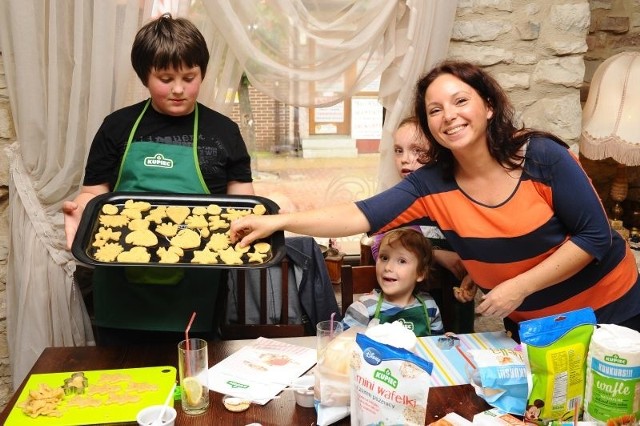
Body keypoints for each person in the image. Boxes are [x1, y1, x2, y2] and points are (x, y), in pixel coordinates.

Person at [230, 60, 640, 342]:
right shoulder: (431, 184)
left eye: (461, 101)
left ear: (489, 105)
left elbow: (594, 237)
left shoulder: (541, 157)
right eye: (434, 109)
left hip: (611, 312)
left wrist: (517, 286)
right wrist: (278, 221)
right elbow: (360, 213)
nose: (449, 115)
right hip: (532, 329)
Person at [63, 14, 254, 345]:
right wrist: (79, 212)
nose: (179, 89)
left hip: (197, 290)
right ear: (145, 77)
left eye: (189, 77)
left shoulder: (223, 132)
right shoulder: (117, 127)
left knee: (192, 386)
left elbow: (243, 206)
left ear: (202, 74)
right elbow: (94, 194)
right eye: (165, 78)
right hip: (122, 288)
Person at [389, 116, 476, 332]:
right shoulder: (395, 204)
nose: (405, 159)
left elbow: (479, 247)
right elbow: (380, 244)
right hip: (411, 322)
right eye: (398, 150)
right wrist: (435, 254)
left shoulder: (458, 201)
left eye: (417, 150)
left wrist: (473, 273)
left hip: (456, 317)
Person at [342, 227, 444, 336]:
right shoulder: (363, 309)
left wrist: (446, 340)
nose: (388, 267)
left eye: (401, 261)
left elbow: (436, 344)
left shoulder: (429, 306)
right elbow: (343, 345)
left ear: (420, 273)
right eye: (384, 258)